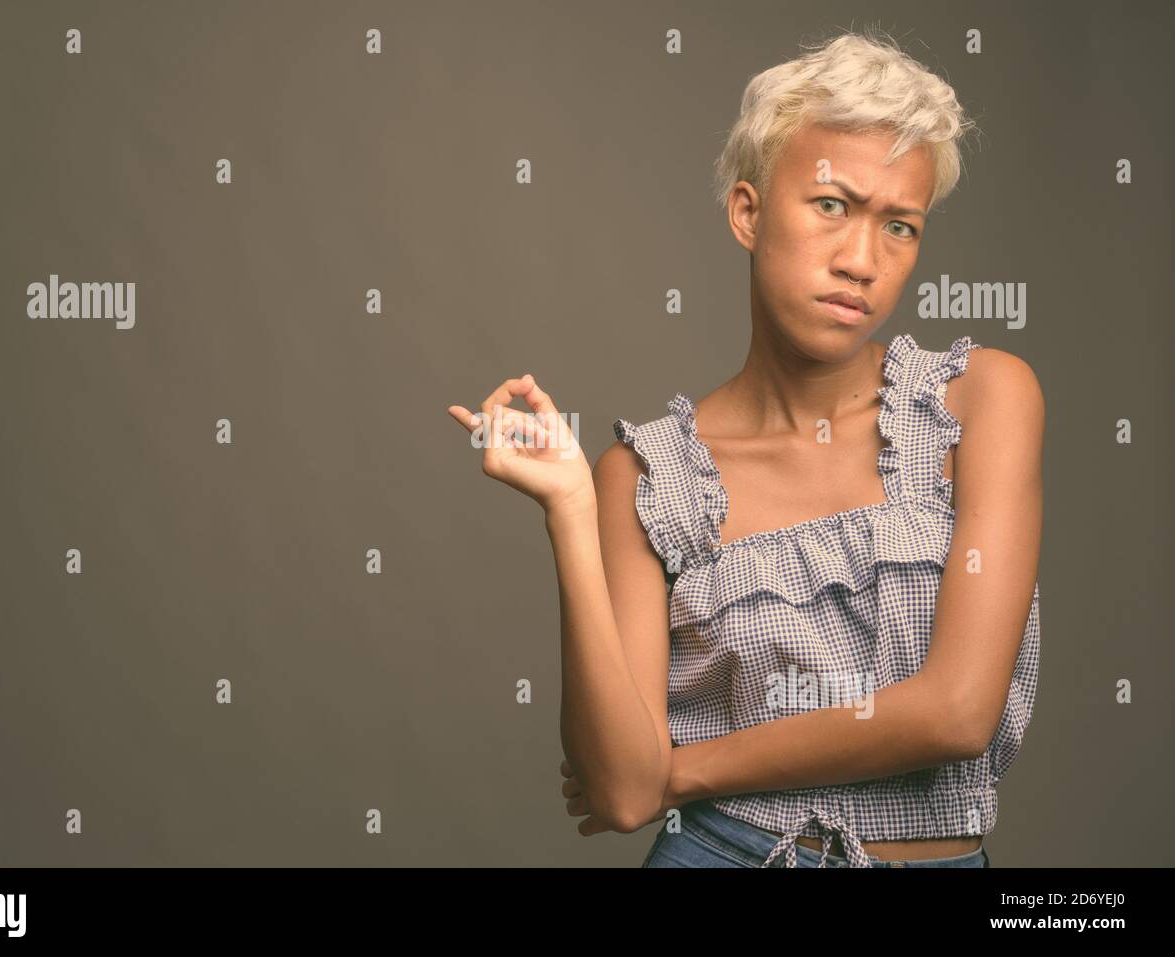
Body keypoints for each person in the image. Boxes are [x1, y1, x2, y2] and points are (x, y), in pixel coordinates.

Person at [446, 29, 1043, 868]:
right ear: (748, 212)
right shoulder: (648, 477)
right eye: (832, 205)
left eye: (900, 226)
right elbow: (621, 791)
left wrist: (682, 772)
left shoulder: (980, 399)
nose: (863, 260)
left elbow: (957, 712)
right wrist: (574, 510)